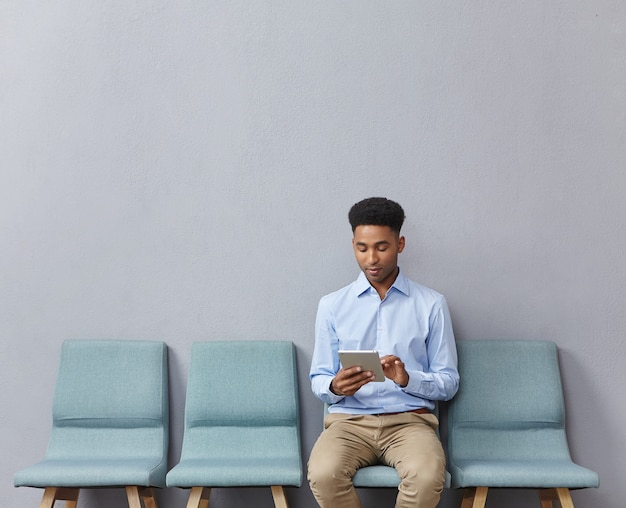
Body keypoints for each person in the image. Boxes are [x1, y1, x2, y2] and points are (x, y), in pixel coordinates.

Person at [308, 197, 459, 508]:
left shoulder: (431, 304)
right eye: (362, 248)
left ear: (399, 243)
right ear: (353, 245)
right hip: (349, 422)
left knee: (428, 476)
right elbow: (319, 378)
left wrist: (407, 379)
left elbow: (449, 381)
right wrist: (335, 386)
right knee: (323, 474)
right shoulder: (332, 305)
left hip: (410, 422)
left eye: (381, 247)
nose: (371, 258)